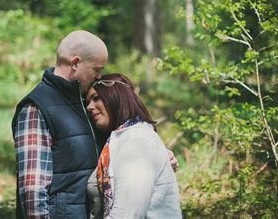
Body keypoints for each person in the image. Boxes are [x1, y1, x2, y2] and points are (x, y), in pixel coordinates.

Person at [12, 30, 178, 219]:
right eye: (97, 70)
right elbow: (32, 189)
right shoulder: (36, 107)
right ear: (75, 63)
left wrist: (157, 158)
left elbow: (121, 145)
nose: (100, 77)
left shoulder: (86, 103)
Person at [86, 73, 182, 218]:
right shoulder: (121, 139)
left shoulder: (137, 141)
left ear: (117, 96)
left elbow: (128, 213)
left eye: (96, 98)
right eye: (87, 101)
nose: (89, 107)